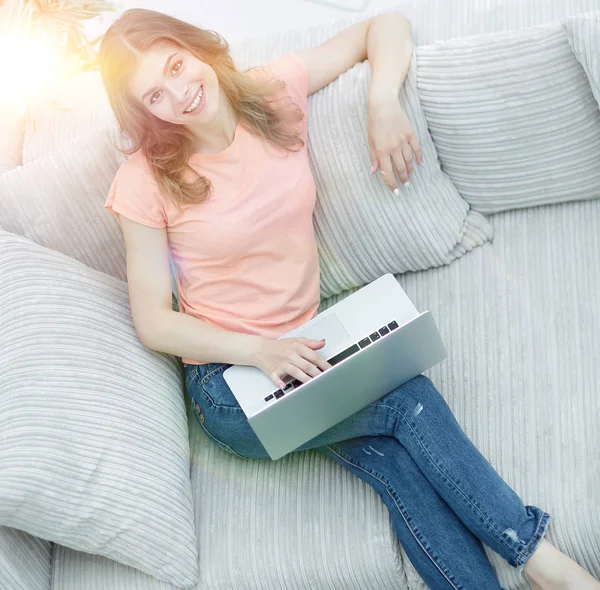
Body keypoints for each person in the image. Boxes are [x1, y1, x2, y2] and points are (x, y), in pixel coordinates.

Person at [98, 8, 599, 590]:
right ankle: (541, 559)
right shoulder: (143, 182)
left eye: (177, 66)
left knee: (400, 471)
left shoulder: (268, 92)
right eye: (155, 95)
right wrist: (259, 349)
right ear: (143, 112)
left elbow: (382, 24)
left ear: (197, 49)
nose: (180, 94)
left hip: (310, 349)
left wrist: (382, 101)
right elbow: (153, 322)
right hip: (232, 385)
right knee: (406, 397)